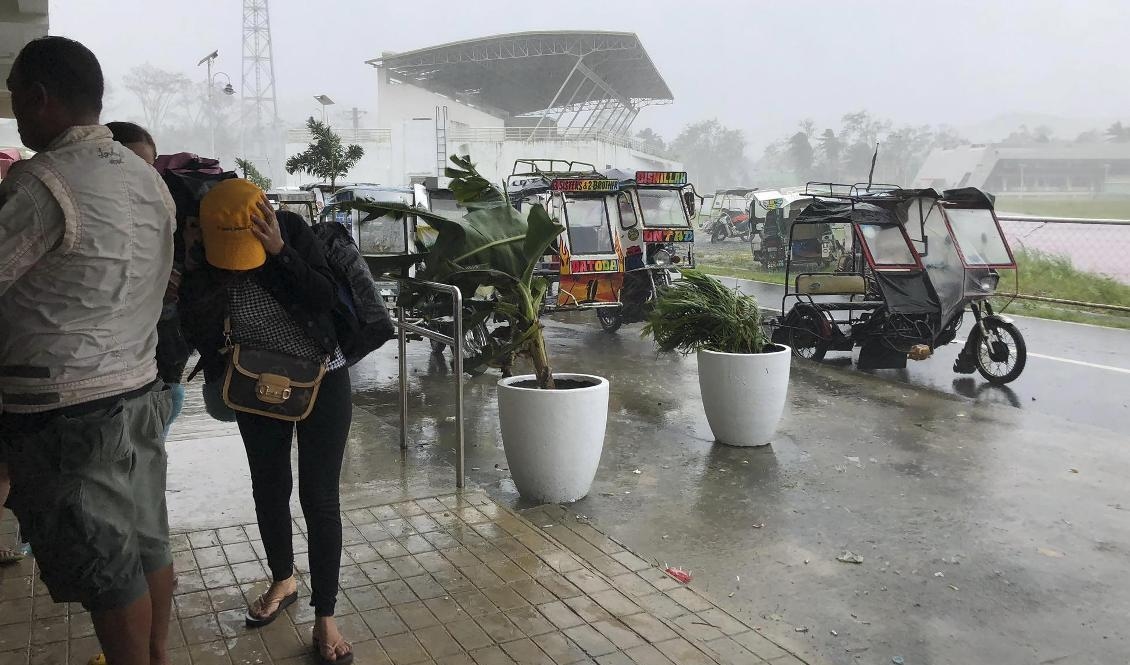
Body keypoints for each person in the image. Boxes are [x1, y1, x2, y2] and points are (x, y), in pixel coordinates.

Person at [0, 36, 175, 665]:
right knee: (147, 542)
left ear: (40, 97)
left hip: (67, 409)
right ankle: (156, 657)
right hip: (138, 395)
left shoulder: (43, 183)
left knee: (107, 570)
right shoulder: (148, 181)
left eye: (16, 98)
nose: (16, 112)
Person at [181, 178, 354, 664]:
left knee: (320, 497)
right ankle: (284, 579)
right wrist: (199, 268)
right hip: (256, 386)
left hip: (323, 379)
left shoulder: (293, 232)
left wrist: (279, 251)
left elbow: (324, 297)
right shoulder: (206, 254)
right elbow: (196, 327)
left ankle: (326, 615)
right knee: (269, 488)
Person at [107, 122, 189, 439]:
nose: (143, 176)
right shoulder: (93, 210)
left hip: (162, 344)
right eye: (131, 164)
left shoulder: (164, 208)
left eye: (149, 166)